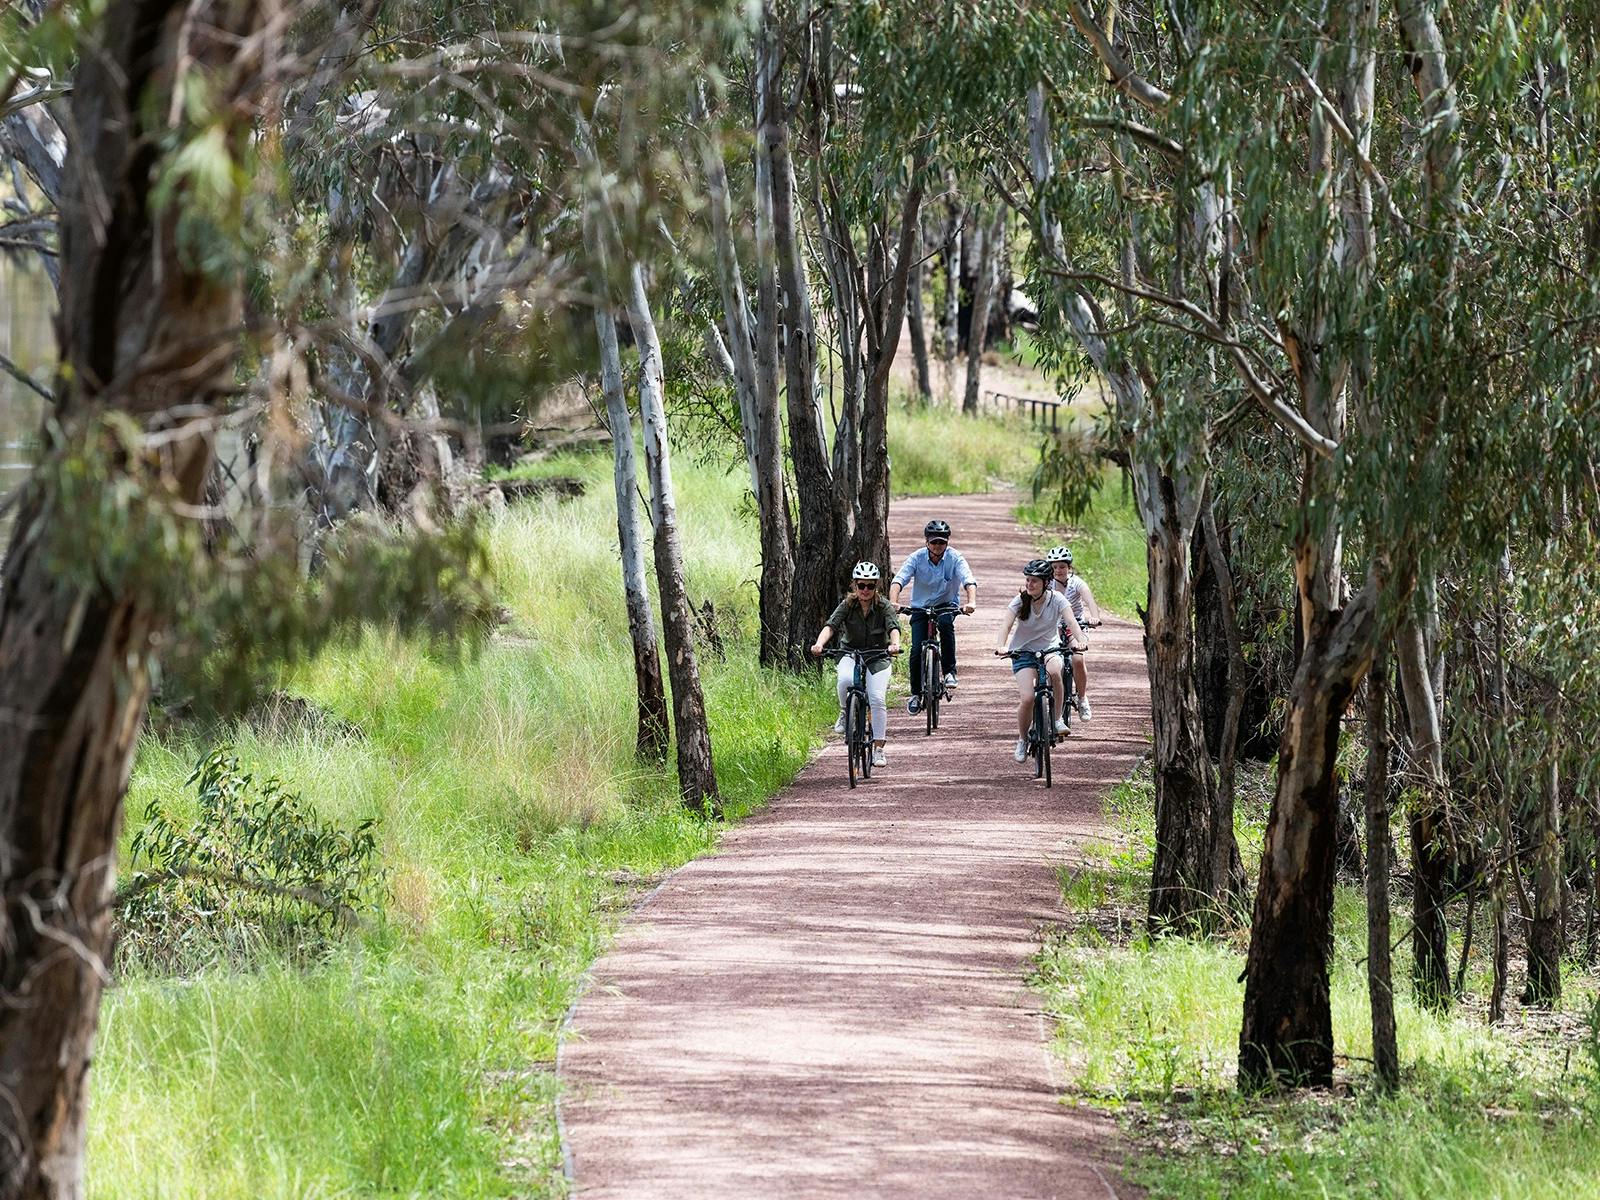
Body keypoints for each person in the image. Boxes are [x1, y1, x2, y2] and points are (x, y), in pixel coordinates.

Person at [811, 562, 903, 768]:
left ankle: (878, 749)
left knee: (877, 698)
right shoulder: (847, 604)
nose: (865, 590)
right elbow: (831, 625)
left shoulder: (884, 606)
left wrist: (895, 645)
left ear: (876, 586)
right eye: (861, 585)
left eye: (870, 586)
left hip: (877, 656)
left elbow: (893, 627)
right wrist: (819, 644)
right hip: (850, 653)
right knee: (845, 680)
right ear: (855, 585)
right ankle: (845, 712)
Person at [995, 558, 1086, 763]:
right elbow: (1006, 625)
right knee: (1027, 698)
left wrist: (1080, 641)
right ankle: (1023, 739)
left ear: (1046, 582)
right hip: (1023, 653)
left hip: (1050, 649)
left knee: (1055, 672)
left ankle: (1057, 719)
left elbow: (1071, 621)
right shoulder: (1020, 600)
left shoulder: (1057, 599)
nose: (1029, 584)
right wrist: (1001, 645)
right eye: (1027, 580)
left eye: (1034, 581)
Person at [888, 518, 977, 716]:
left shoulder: (955, 558)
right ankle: (915, 694)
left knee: (945, 625)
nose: (938, 546)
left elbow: (968, 580)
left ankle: (950, 672)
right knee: (916, 650)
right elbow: (899, 580)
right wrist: (894, 602)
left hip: (946, 605)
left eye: (942, 542)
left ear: (947, 542)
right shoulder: (916, 558)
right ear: (926, 542)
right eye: (934, 542)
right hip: (920, 607)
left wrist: (971, 602)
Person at [1045, 545, 1102, 721]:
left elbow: (1090, 601)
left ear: (1069, 567)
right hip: (1053, 625)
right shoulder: (1047, 583)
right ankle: (1050, 696)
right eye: (1054, 567)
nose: (1058, 570)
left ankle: (1082, 697)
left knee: (1077, 657)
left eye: (1062, 566)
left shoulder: (1077, 583)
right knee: (1050, 658)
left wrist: (1094, 617)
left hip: (1075, 624)